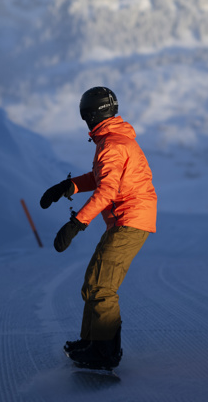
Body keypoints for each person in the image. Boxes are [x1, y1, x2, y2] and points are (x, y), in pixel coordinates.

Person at [39, 86, 157, 370]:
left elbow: (106, 192)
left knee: (102, 286)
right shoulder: (114, 140)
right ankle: (93, 342)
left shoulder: (112, 145)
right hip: (129, 218)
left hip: (129, 220)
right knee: (94, 282)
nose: (86, 122)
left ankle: (104, 352)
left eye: (85, 117)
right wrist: (70, 186)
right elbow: (101, 178)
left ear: (94, 114)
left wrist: (76, 224)